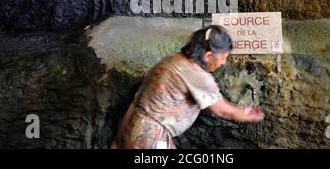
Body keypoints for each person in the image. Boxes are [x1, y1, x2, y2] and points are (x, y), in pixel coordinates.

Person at [112, 25, 264, 149]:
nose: (223, 63)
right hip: (149, 137)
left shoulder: (173, 59)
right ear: (208, 56)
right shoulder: (197, 75)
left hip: (130, 126)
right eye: (223, 57)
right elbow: (223, 111)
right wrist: (248, 114)